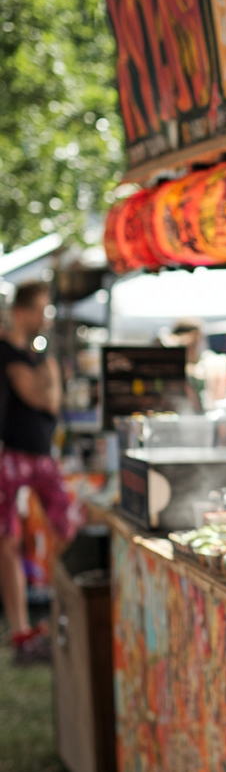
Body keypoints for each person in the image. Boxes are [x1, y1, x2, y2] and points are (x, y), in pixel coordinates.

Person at [0, 282, 79, 662]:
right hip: (10, 456)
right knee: (8, 543)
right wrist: (45, 374)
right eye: (40, 311)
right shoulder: (7, 352)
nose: (44, 319)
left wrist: (44, 371)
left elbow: (51, 399)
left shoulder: (35, 356)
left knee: (68, 527)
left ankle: (55, 613)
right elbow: (41, 397)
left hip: (40, 454)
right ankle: (21, 633)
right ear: (23, 311)